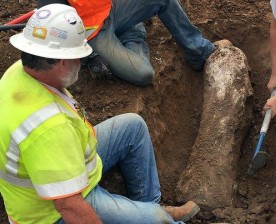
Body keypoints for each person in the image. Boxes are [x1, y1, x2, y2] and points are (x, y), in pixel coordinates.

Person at [0, 4, 200, 224]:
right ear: (61, 60)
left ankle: (148, 204)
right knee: (157, 220)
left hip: (69, 162)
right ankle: (158, 216)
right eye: (79, 56)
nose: (81, 62)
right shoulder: (48, 127)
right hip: (52, 211)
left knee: (134, 127)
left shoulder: (21, 71)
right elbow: (70, 207)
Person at [37, 0, 231, 86]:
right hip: (91, 33)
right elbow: (51, 25)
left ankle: (199, 52)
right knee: (144, 74)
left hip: (111, 10)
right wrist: (88, 56)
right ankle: (133, 33)